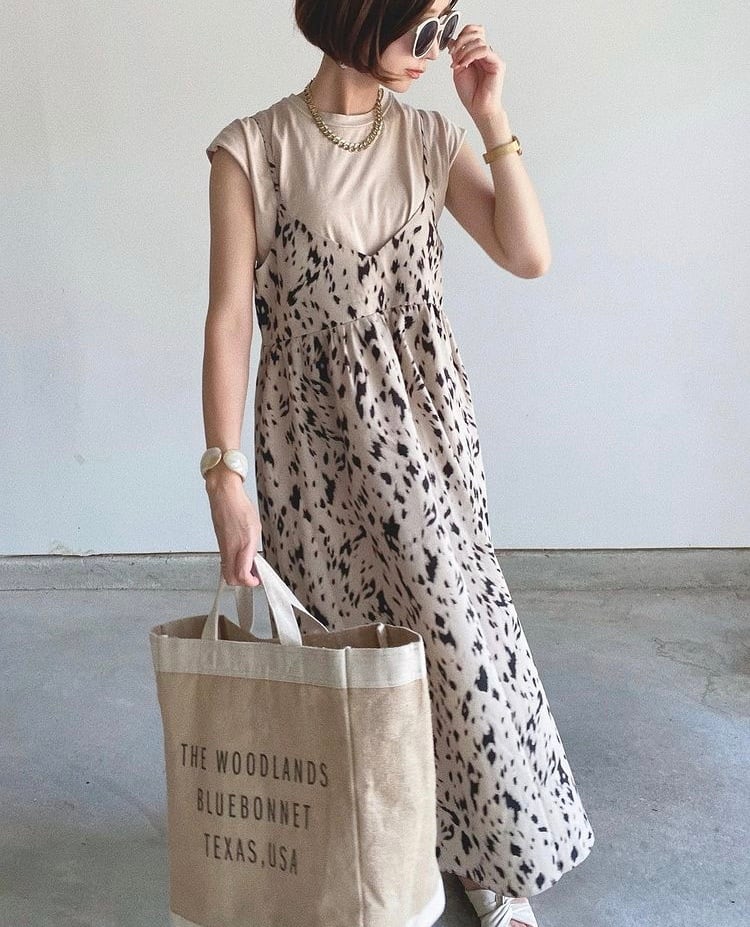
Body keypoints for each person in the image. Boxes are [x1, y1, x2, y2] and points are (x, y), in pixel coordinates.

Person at [202, 2, 595, 925]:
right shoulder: (252, 152)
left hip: (426, 441)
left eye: (447, 23)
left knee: (458, 641)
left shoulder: (428, 139)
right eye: (421, 29)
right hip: (310, 454)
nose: (435, 49)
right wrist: (225, 475)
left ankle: (489, 853)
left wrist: (489, 115)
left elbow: (527, 254)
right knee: (345, 655)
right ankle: (379, 855)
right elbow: (227, 321)